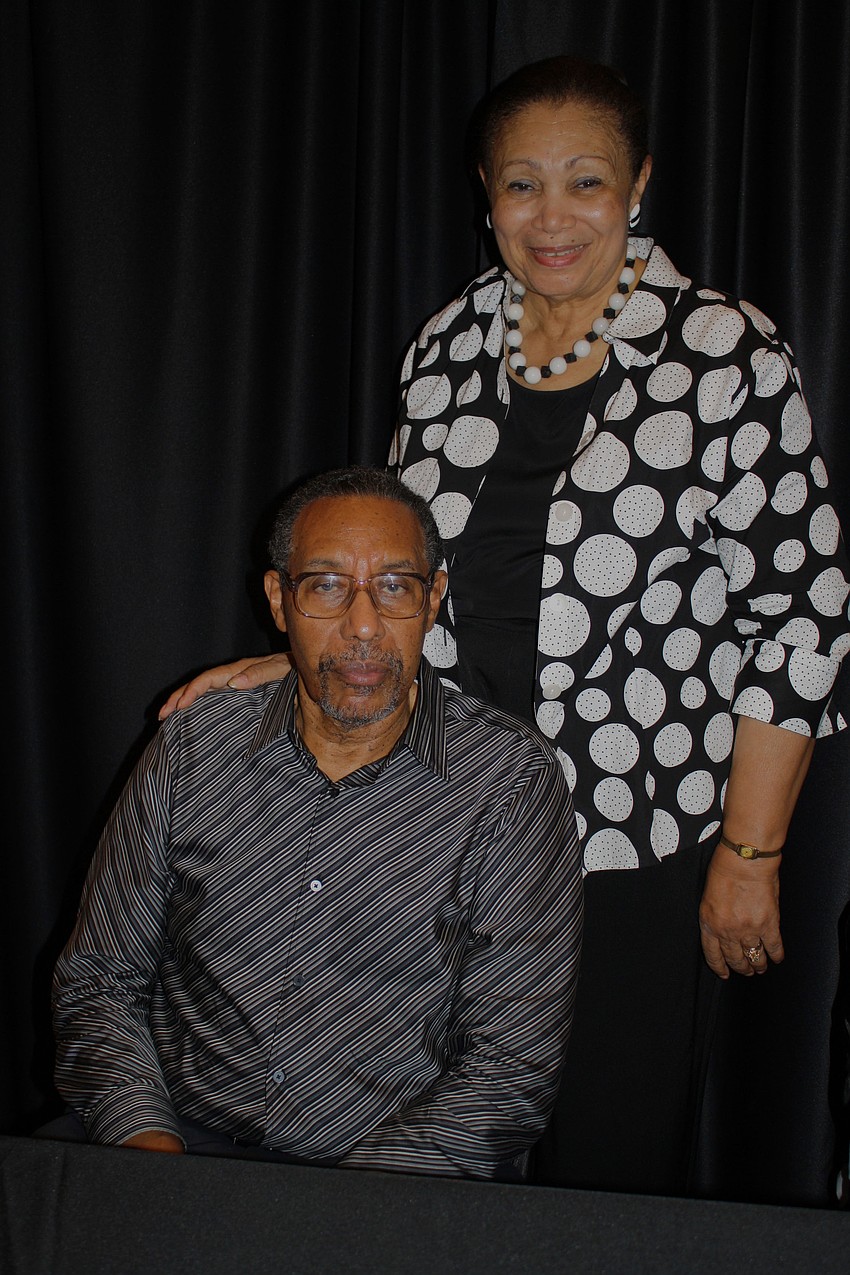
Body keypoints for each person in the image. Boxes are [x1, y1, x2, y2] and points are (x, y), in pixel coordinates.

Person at [159, 57, 850, 1195]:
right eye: (521, 185)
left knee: (607, 1174)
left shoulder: (727, 356)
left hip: (631, 843)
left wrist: (751, 852)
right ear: (486, 194)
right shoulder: (442, 352)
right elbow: (401, 576)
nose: (552, 215)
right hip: (442, 822)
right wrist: (292, 666)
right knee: (423, 1149)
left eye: (585, 182)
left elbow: (803, 615)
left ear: (638, 187)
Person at [49, 466, 583, 1180]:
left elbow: (510, 1068)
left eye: (394, 586)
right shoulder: (193, 750)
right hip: (178, 1139)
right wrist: (149, 1150)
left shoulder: (511, 784)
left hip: (394, 1176)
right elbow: (99, 980)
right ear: (279, 598)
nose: (363, 625)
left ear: (434, 600)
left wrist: (328, 1220)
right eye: (327, 585)